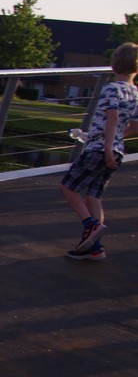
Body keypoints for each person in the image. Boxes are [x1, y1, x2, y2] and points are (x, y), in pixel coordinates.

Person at [59, 42, 138, 260]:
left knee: (67, 187)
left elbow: (112, 118)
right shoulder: (135, 93)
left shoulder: (112, 89)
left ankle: (90, 226)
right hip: (117, 150)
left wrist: (106, 147)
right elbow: (135, 127)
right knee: (94, 196)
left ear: (114, 65)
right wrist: (115, 144)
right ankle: (95, 248)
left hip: (100, 150)